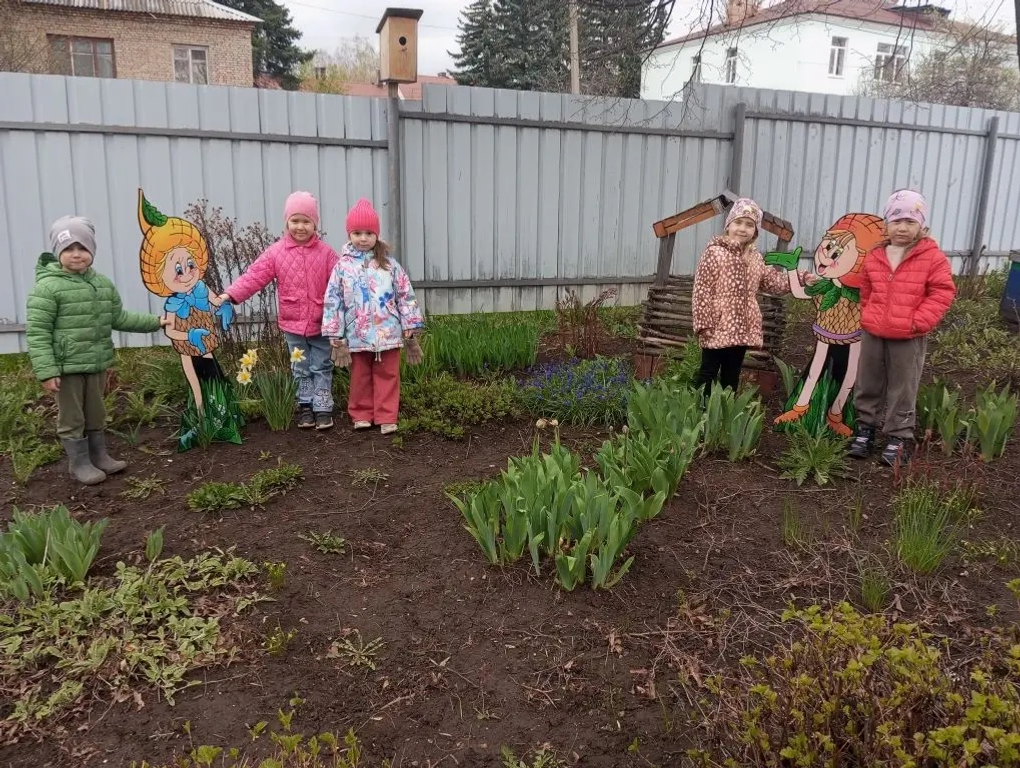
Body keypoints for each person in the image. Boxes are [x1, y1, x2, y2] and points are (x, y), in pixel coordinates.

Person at [27, 216, 170, 485]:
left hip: (96, 362)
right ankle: (78, 463)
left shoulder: (102, 284)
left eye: (82, 248)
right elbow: (38, 333)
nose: (76, 254)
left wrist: (156, 322)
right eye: (68, 249)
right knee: (72, 416)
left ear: (92, 251)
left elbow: (119, 318)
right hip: (66, 367)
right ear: (58, 253)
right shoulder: (46, 288)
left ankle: (99, 455)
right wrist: (47, 371)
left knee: (95, 412)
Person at [848, 190, 956, 466]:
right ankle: (865, 429)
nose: (903, 227)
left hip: (908, 336)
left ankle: (898, 436)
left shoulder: (931, 256)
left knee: (903, 386)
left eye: (910, 221)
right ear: (887, 224)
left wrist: (918, 321)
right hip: (874, 331)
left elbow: (942, 292)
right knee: (868, 380)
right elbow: (866, 289)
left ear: (921, 225)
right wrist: (869, 313)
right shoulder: (876, 255)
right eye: (897, 220)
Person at [219, 191, 339, 430]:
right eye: (295, 221)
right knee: (300, 367)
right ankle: (305, 406)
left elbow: (342, 282)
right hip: (292, 324)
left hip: (320, 323)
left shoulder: (326, 254)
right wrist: (230, 295)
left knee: (322, 365)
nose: (300, 227)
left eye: (306, 221)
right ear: (286, 222)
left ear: (315, 223)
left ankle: (323, 406)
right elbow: (254, 276)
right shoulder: (276, 253)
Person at [691, 198, 816, 395]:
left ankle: (724, 414)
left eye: (749, 225)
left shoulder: (755, 258)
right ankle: (698, 413)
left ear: (755, 232)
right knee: (708, 372)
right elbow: (702, 290)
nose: (742, 229)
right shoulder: (714, 253)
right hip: (716, 326)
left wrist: (800, 279)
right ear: (728, 225)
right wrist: (703, 323)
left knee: (732, 373)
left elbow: (773, 281)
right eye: (738, 222)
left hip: (741, 327)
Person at [322, 198, 425, 434]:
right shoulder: (342, 267)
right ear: (349, 234)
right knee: (360, 377)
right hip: (357, 335)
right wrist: (335, 333)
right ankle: (361, 414)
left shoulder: (389, 265)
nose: (363, 238)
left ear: (376, 235)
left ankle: (387, 415)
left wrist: (410, 324)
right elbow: (333, 300)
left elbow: (405, 295)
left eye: (369, 233)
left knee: (388, 374)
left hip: (388, 332)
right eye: (357, 233)